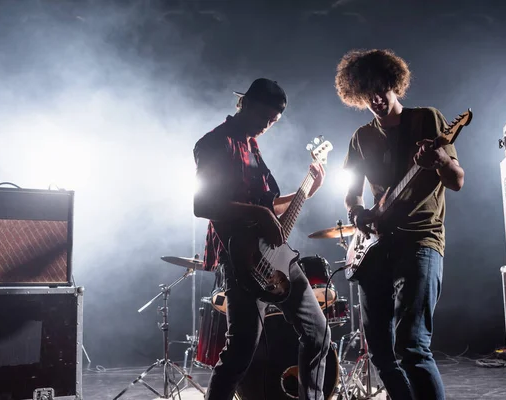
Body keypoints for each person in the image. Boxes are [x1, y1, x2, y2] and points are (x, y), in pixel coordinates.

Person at [335, 49, 465, 400]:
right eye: (367, 94)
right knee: (380, 351)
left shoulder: (428, 120)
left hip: (420, 240)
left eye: (381, 89)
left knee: (411, 346)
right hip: (374, 247)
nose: (376, 100)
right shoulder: (361, 138)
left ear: (395, 84)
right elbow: (352, 194)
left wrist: (439, 159)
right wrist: (357, 214)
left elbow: (456, 181)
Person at [193, 78, 330, 400]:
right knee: (241, 350)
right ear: (246, 105)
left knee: (318, 333)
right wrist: (259, 214)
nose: (267, 126)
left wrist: (304, 193)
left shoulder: (251, 144)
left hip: (277, 255)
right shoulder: (215, 143)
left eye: (273, 122)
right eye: (264, 118)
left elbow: (266, 206)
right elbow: (203, 205)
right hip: (242, 258)